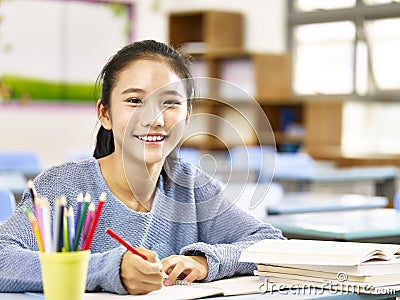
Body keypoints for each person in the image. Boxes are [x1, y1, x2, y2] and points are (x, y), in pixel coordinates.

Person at [0, 40, 284, 295]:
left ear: (187, 115)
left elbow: (270, 243)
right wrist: (111, 270)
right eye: (135, 101)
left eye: (170, 103)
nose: (155, 119)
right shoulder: (63, 187)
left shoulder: (193, 187)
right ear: (105, 114)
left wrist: (205, 262)